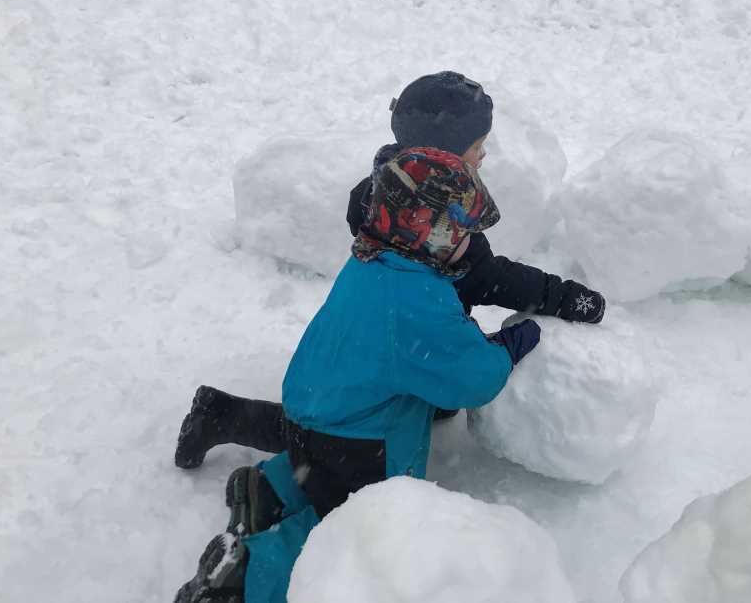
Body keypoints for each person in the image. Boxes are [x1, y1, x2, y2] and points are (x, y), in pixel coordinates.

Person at [175, 72, 605, 472]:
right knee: (346, 439)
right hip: (414, 340)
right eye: (477, 146)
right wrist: (563, 298)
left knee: (321, 424)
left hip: (366, 342)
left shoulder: (385, 200)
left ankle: (225, 416)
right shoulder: (439, 229)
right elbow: (491, 279)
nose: (485, 153)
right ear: (444, 157)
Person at [175, 145, 543, 603]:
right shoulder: (417, 299)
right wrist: (509, 345)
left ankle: (269, 489)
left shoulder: (372, 260)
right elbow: (473, 380)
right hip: (366, 443)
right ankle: (247, 574)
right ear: (435, 234)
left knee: (317, 473)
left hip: (313, 408)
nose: (472, 243)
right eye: (464, 232)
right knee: (351, 525)